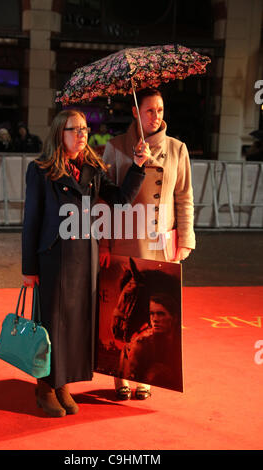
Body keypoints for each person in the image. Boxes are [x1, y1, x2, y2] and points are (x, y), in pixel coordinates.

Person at [21, 109, 148, 417]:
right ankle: (45, 386)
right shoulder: (40, 170)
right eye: (73, 129)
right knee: (51, 323)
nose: (81, 135)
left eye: (84, 130)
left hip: (83, 258)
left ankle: (63, 383)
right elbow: (32, 220)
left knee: (75, 324)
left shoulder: (91, 168)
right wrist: (29, 268)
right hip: (52, 258)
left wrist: (138, 166)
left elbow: (119, 200)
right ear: (58, 134)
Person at [100, 87, 195, 400]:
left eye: (161, 110)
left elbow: (184, 197)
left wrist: (185, 238)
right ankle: (120, 376)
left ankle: (144, 377)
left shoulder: (178, 149)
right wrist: (102, 242)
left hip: (160, 239)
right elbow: (104, 198)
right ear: (135, 112)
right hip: (124, 236)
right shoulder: (113, 147)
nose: (157, 117)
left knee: (154, 307)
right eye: (150, 110)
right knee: (124, 305)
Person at [118, 293, 182, 391]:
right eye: (152, 313)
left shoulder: (178, 339)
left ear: (174, 317)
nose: (155, 319)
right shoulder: (141, 342)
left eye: (161, 314)